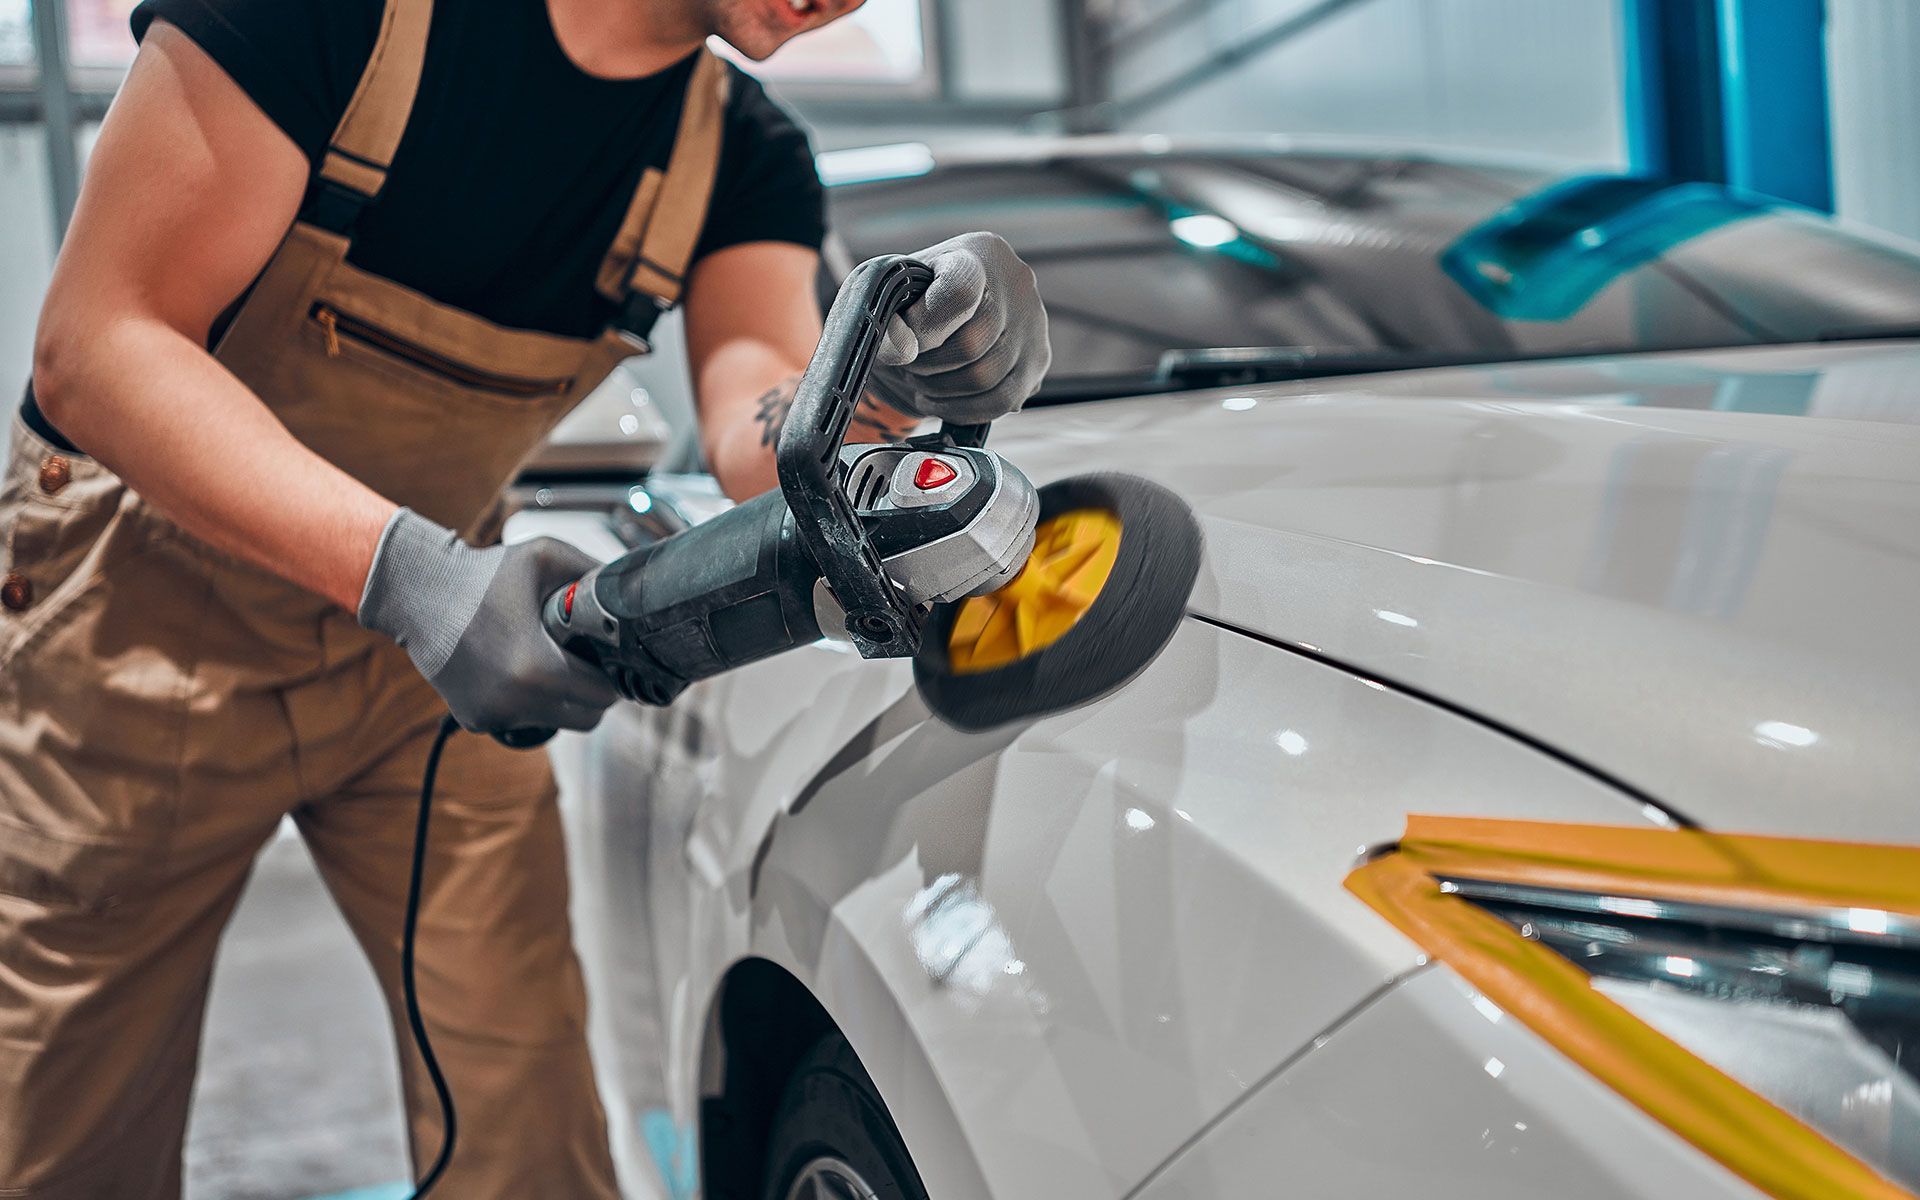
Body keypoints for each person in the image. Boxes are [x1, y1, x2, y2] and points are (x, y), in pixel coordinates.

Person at [0, 0, 1050, 1193]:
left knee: (525, 1120)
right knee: (65, 1137)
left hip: (433, 667)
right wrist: (406, 576)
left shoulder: (741, 156)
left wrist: (880, 388)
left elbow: (753, 409)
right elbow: (98, 340)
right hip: (137, 630)